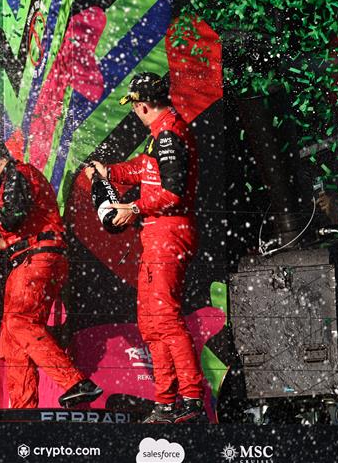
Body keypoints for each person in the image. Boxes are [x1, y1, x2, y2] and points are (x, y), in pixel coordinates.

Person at [85, 72, 206, 423]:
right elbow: (144, 169)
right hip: (157, 235)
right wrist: (109, 173)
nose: (134, 112)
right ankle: (166, 403)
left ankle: (192, 401)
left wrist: (134, 208)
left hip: (169, 233)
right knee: (151, 324)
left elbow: (173, 192)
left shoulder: (169, 135)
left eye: (135, 106)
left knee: (165, 320)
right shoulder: (160, 134)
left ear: (142, 104)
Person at [0, 138, 102, 409]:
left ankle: (76, 382)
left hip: (39, 260)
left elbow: (11, 219)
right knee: (13, 339)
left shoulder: (19, 174)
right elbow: (17, 232)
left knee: (20, 324)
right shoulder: (13, 181)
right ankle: (23, 411)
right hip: (31, 259)